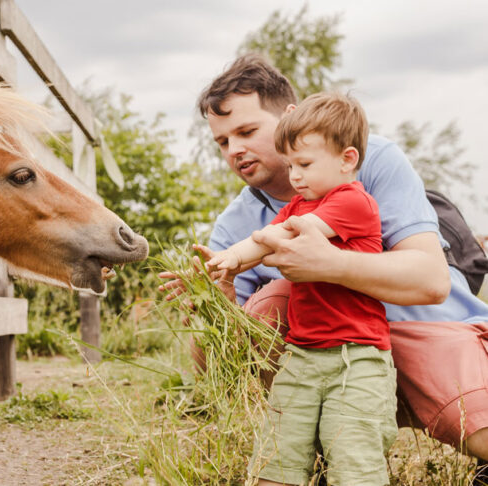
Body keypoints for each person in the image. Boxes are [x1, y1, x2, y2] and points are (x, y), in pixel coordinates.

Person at [159, 53, 488, 463]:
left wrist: (330, 266)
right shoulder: (234, 225)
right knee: (271, 304)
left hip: (429, 331)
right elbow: (221, 375)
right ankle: (318, 453)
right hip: (327, 358)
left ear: (290, 118)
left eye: (247, 131)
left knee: (483, 438)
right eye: (223, 141)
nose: (235, 150)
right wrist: (215, 308)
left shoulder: (370, 160)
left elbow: (431, 282)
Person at [199, 91, 396, 485]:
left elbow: (282, 236)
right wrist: (227, 261)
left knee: (353, 457)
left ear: (348, 159)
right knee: (278, 454)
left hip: (355, 357)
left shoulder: (353, 202)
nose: (295, 177)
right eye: (290, 166)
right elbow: (266, 235)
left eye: (304, 164)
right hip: (301, 354)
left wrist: (247, 253)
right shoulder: (298, 206)